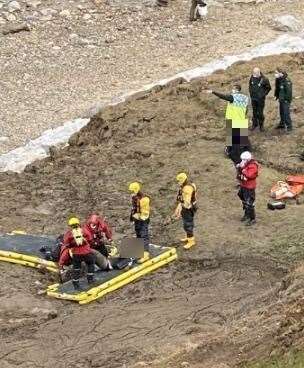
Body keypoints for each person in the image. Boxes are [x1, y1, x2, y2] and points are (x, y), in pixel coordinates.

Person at [206, 84, 251, 164]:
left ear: (237, 90)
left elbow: (223, 96)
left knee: (234, 141)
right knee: (242, 138)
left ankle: (234, 154)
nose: (232, 90)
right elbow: (246, 109)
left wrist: (213, 92)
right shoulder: (245, 98)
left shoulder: (233, 97)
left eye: (233, 89)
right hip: (241, 118)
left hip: (233, 120)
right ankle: (246, 150)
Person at [63, 217, 95, 290]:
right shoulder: (84, 230)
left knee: (76, 269)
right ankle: (90, 279)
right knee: (91, 263)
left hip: (76, 254)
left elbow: (66, 244)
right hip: (86, 252)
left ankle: (76, 284)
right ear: (78, 223)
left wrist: (73, 245)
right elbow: (90, 239)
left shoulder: (69, 234)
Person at [174, 172, 197, 249]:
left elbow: (187, 202)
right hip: (187, 206)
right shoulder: (187, 185)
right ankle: (188, 237)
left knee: (188, 224)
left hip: (188, 208)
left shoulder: (187, 189)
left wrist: (181, 208)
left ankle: (191, 241)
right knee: (186, 223)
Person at [128, 182, 150, 261]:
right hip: (137, 219)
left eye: (132, 191)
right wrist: (133, 218)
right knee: (138, 233)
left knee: (144, 235)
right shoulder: (135, 198)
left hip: (142, 220)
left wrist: (139, 217)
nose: (131, 193)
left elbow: (145, 212)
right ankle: (139, 251)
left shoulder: (144, 199)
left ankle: (145, 254)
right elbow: (134, 209)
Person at [236, 151, 259, 226]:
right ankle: (246, 214)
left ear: (248, 159)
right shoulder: (246, 164)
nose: (242, 161)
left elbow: (250, 175)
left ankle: (252, 219)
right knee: (242, 197)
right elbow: (241, 172)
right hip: (244, 185)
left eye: (244, 159)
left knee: (249, 203)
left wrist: (243, 170)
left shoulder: (253, 166)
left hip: (249, 187)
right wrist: (239, 167)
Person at [249, 67, 271, 132]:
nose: (254, 74)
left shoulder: (264, 79)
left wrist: (263, 94)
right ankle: (254, 124)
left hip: (260, 100)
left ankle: (261, 125)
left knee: (260, 113)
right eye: (253, 73)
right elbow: (250, 85)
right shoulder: (252, 77)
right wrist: (251, 93)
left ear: (258, 72)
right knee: (254, 112)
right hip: (253, 99)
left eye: (255, 73)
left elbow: (268, 88)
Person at [274, 68, 293, 132]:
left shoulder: (287, 80)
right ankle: (282, 124)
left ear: (280, 73)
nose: (275, 74)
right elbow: (277, 88)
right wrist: (276, 96)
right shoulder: (278, 79)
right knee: (281, 112)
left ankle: (289, 127)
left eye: (276, 73)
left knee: (286, 113)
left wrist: (286, 100)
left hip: (285, 100)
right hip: (281, 99)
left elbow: (289, 92)